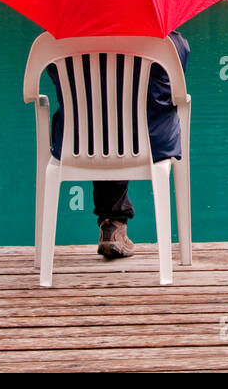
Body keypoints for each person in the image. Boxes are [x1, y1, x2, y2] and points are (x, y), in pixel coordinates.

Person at [45, 30, 189, 259]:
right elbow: (177, 90)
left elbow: (45, 82)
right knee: (123, 123)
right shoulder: (168, 42)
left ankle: (112, 224)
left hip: (79, 141)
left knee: (104, 123)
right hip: (149, 141)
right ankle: (115, 226)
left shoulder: (57, 40)